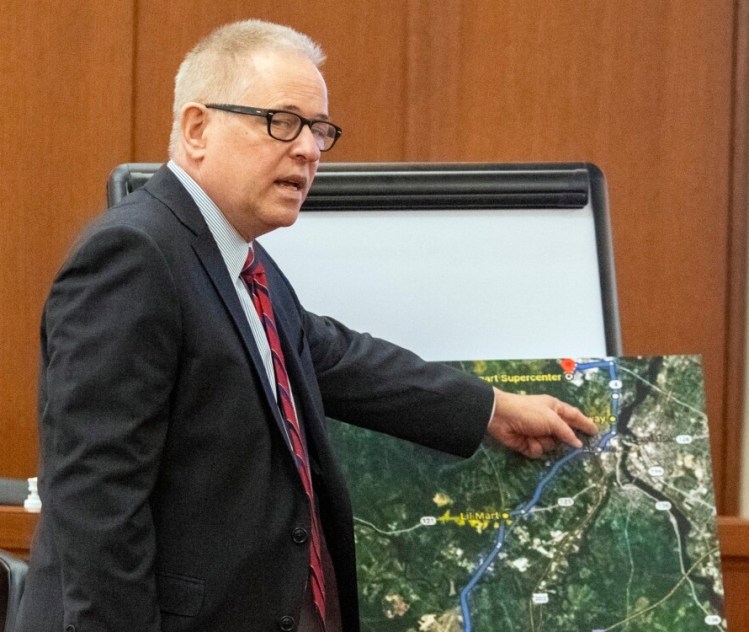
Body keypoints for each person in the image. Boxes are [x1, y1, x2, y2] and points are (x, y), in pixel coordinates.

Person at [16, 19, 597, 632]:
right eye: (282, 122)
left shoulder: (238, 260)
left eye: (319, 131)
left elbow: (333, 357)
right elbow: (96, 505)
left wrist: (493, 407)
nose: (309, 150)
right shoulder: (134, 254)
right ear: (196, 129)